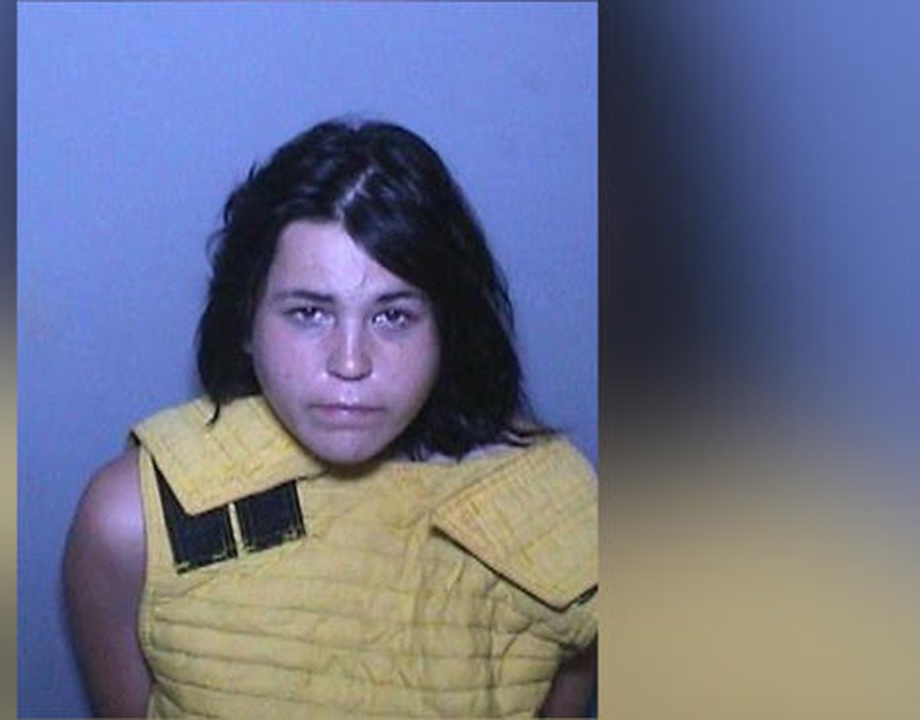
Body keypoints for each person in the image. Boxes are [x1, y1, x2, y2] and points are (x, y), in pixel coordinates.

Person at [64, 119, 597, 718]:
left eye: (392, 316)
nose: (349, 362)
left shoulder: (557, 514)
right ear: (246, 321)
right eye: (309, 313)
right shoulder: (128, 523)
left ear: (449, 327)